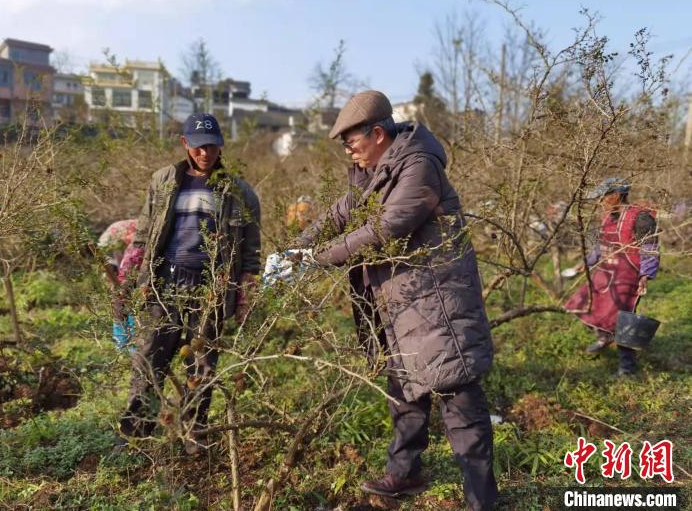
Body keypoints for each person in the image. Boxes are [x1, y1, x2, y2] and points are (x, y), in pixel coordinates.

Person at [294, 90, 497, 509]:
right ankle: (404, 474)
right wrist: (296, 249)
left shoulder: (419, 167)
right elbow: (340, 213)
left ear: (379, 133)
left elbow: (387, 228)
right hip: (399, 304)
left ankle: (483, 500)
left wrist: (316, 259)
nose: (349, 151)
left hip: (436, 303)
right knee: (404, 391)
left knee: (458, 399)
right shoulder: (374, 174)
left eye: (353, 142)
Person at [115, 113, 261, 454]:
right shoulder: (163, 180)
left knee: (202, 364)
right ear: (185, 144)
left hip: (210, 287)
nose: (205, 153)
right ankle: (136, 433)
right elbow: (145, 234)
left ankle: (195, 434)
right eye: (198, 147)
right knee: (150, 359)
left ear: (221, 145)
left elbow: (251, 252)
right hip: (164, 283)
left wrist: (244, 293)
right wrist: (134, 279)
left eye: (212, 146)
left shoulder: (239, 191)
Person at [565, 178, 659, 375]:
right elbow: (602, 244)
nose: (600, 202)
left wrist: (645, 276)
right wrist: (587, 262)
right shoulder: (609, 216)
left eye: (603, 197)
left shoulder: (641, 218)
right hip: (605, 273)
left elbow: (650, 248)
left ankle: (627, 367)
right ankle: (604, 337)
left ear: (616, 195)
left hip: (627, 277)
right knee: (586, 304)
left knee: (622, 321)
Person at [98, 219, 138, 350]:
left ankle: (128, 346)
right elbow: (110, 267)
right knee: (120, 308)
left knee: (128, 310)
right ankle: (122, 345)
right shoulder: (112, 241)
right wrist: (115, 283)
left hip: (131, 273)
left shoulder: (137, 237)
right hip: (125, 272)